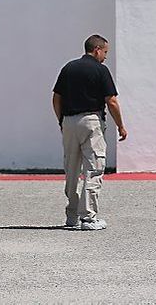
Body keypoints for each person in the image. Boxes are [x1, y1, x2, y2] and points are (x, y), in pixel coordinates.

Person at [52, 34, 128, 231]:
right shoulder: (101, 70)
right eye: (105, 52)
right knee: (94, 168)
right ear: (97, 50)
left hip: (69, 122)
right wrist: (120, 125)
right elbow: (111, 101)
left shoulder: (68, 68)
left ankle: (72, 216)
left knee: (71, 169)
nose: (105, 57)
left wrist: (61, 121)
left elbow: (56, 98)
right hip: (91, 121)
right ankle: (88, 218)